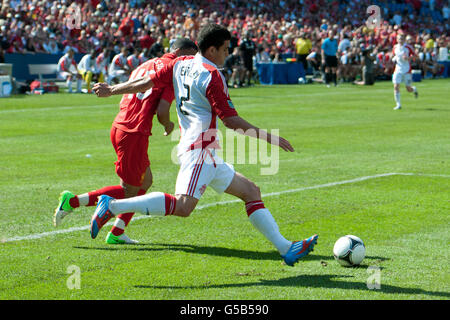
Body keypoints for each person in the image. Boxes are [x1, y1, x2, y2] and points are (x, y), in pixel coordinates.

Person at [92, 24, 318, 266]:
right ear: (212, 50)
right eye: (224, 49)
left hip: (201, 148)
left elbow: (147, 81)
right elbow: (230, 121)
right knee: (183, 206)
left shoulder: (181, 62)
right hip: (200, 147)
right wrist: (268, 137)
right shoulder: (211, 74)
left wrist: (112, 89)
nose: (227, 54)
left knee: (251, 191)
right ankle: (113, 205)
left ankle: (287, 249)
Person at [53, 39, 199, 245]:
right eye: (192, 56)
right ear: (182, 52)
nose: (192, 61)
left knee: (144, 182)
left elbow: (134, 91)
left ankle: (117, 231)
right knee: (129, 190)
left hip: (121, 124)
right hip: (134, 131)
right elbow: (162, 111)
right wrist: (168, 125)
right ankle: (72, 201)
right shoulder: (173, 69)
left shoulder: (147, 64)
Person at [392, 34, 418, 110]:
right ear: (397, 40)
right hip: (398, 69)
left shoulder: (408, 47)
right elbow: (394, 56)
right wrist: (393, 59)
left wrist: (408, 58)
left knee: (408, 89)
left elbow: (416, 56)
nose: (400, 40)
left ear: (404, 40)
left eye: (402, 39)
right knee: (396, 86)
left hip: (407, 70)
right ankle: (398, 104)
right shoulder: (395, 47)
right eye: (399, 39)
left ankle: (414, 89)